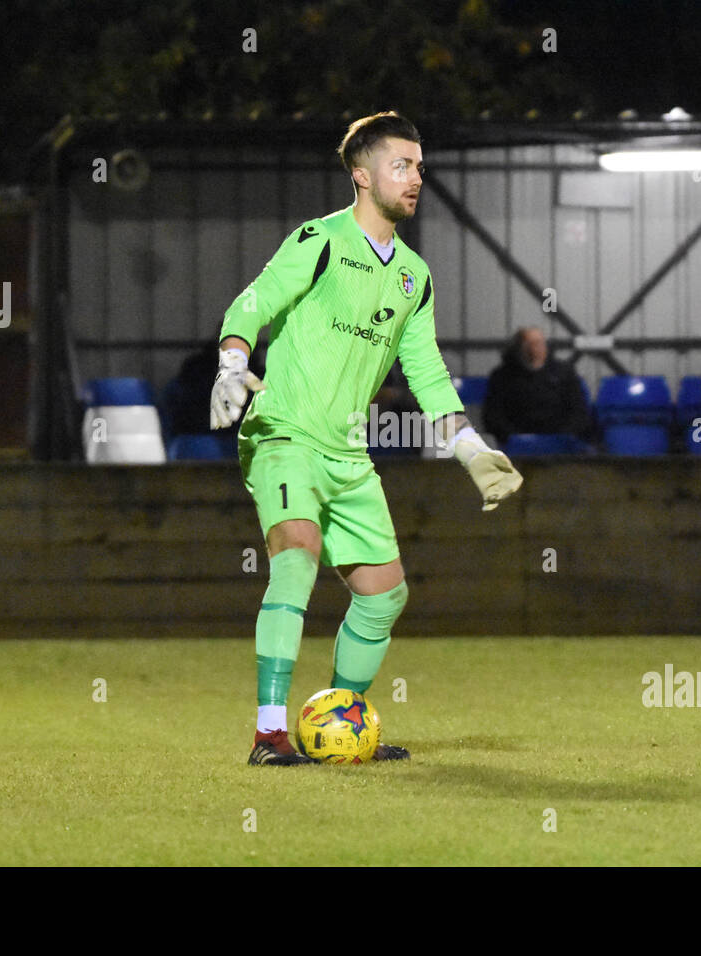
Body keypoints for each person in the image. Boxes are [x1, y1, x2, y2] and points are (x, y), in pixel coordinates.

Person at [209, 111, 524, 766]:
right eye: (401, 165)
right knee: (296, 556)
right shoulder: (318, 240)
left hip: (348, 454)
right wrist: (234, 364)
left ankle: (340, 722)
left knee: (386, 592)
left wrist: (472, 451)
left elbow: (429, 375)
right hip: (285, 431)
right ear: (361, 175)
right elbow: (254, 302)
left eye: (419, 167)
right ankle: (269, 733)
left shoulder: (414, 276)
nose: (415, 179)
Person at [482, 326, 591, 446]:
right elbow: (493, 415)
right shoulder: (502, 376)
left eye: (539, 343)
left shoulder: (564, 373)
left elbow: (579, 411)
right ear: (519, 348)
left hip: (559, 440)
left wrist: (564, 436)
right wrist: (513, 437)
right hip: (517, 442)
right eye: (530, 344)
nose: (535, 349)